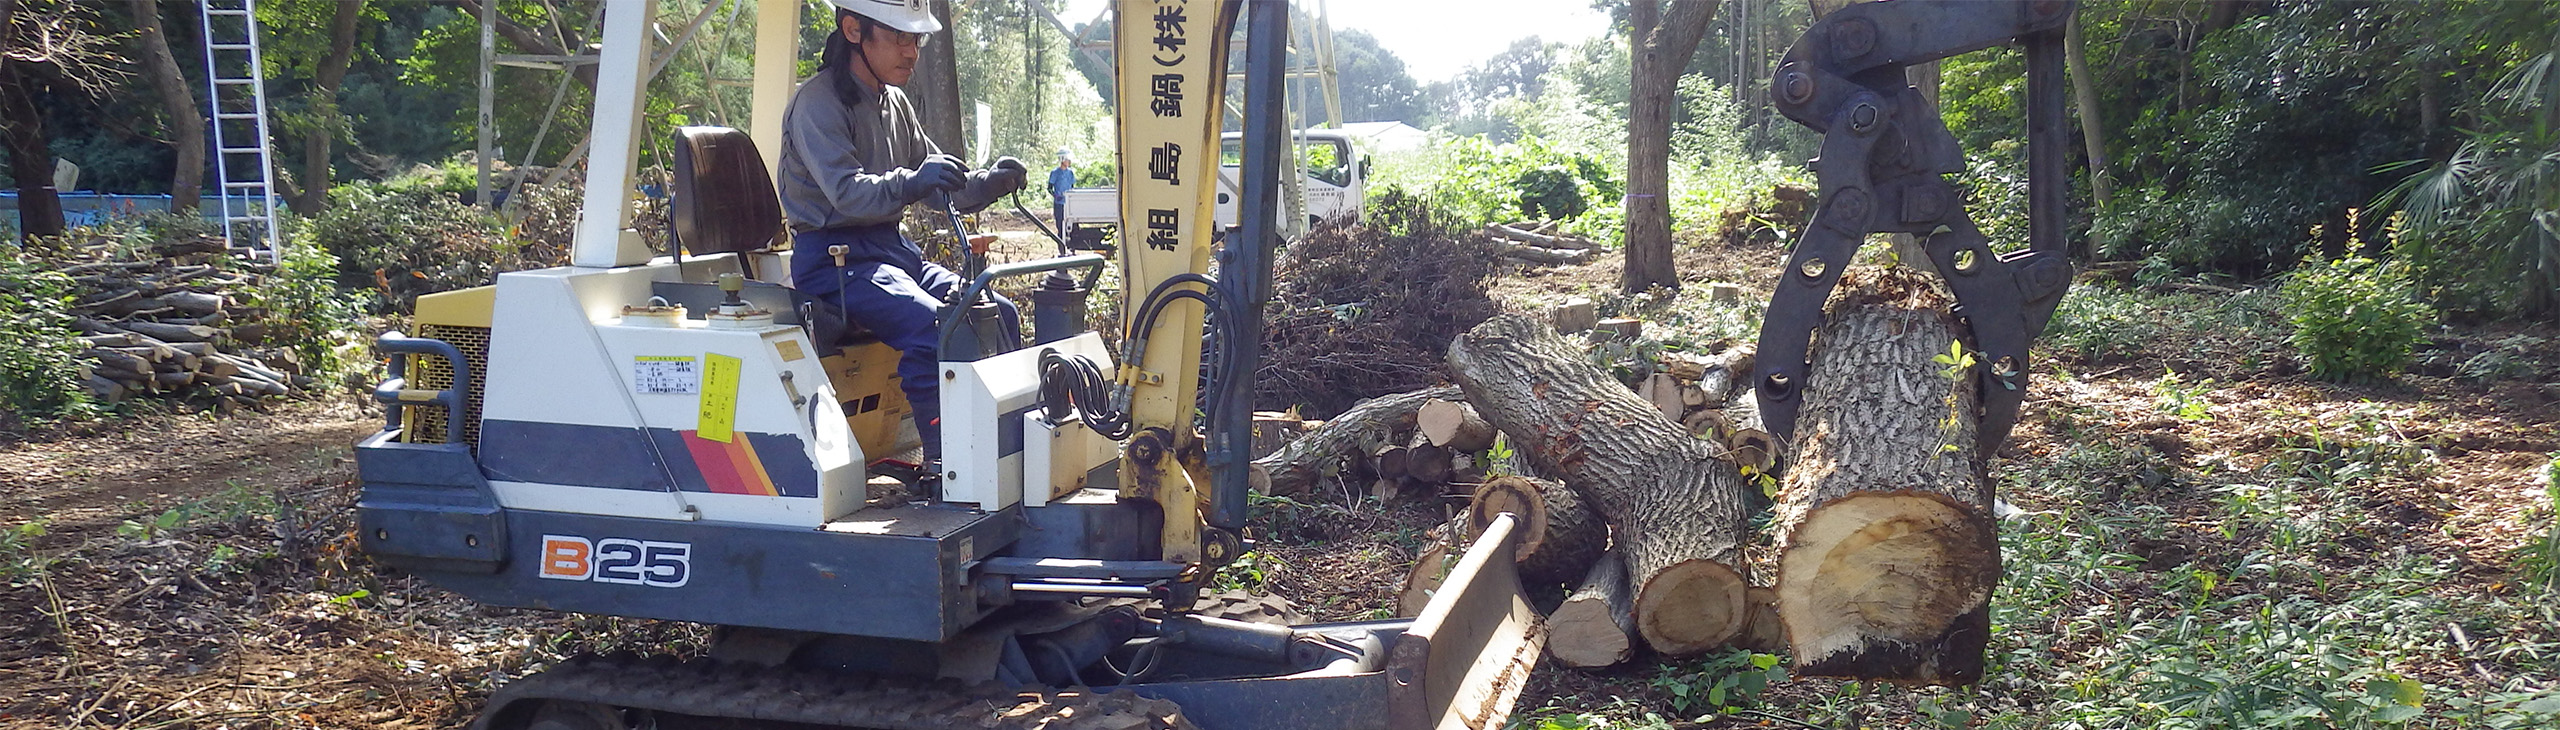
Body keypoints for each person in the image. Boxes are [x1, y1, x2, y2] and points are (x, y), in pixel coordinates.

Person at [778, 0, 1028, 465]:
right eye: (899, 37)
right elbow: (848, 194)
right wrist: (914, 181)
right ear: (853, 30)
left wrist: (988, 183)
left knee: (999, 311)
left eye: (916, 39)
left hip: (891, 251)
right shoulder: (817, 104)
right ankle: (948, 467)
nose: (912, 52)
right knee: (938, 327)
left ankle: (1006, 453)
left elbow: (939, 186)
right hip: (834, 262)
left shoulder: (893, 101)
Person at [1048, 150, 1076, 231]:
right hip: (1059, 203)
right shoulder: (1055, 173)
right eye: (1067, 160)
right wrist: (1056, 196)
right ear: (1062, 160)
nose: (1069, 162)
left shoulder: (1070, 172)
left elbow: (1072, 186)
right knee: (1060, 223)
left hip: (1069, 202)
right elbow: (1049, 188)